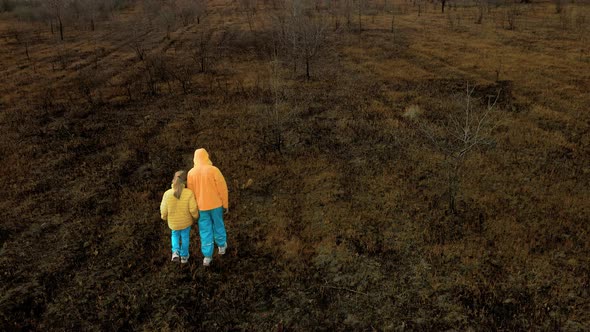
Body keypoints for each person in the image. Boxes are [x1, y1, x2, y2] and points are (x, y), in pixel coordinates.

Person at [187, 148, 229, 267]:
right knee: (218, 224)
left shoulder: (191, 173)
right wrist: (225, 204)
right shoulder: (214, 170)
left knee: (205, 230)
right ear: (207, 156)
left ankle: (207, 256)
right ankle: (221, 246)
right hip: (216, 205)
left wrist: (193, 209)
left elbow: (191, 193)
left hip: (201, 207)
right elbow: (222, 188)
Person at [160, 170, 199, 264]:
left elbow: (164, 209)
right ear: (185, 181)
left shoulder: (167, 194)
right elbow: (193, 209)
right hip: (186, 222)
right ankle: (184, 257)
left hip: (173, 223)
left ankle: (175, 252)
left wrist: (163, 217)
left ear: (173, 180)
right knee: (185, 237)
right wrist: (196, 216)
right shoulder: (189, 193)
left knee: (175, 235)